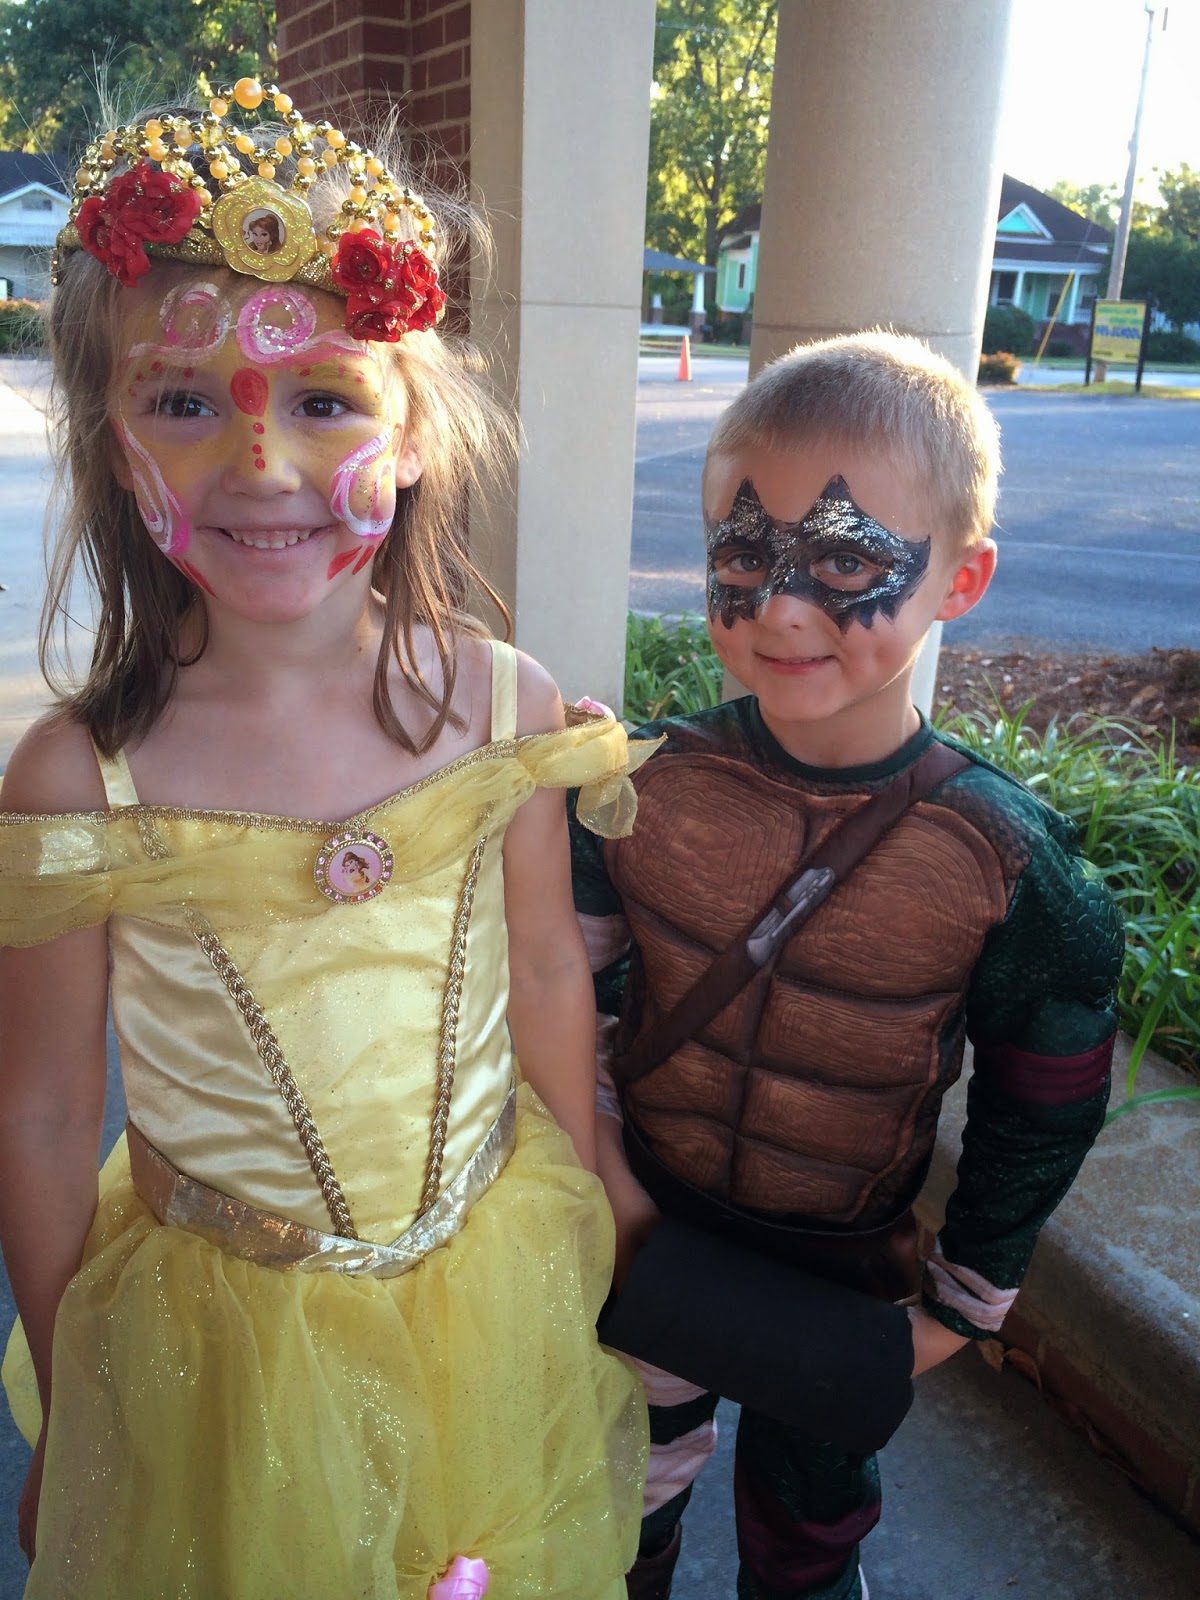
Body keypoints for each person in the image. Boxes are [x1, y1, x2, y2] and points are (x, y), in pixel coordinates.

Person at [0, 77, 650, 1599]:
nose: (263, 465)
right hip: (218, 1349)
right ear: (109, 441)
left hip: (486, 1287)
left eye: (324, 400)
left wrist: (592, 1191)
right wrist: (72, 1400)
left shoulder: (501, 704)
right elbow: (44, 1108)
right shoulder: (78, 780)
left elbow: (546, 967)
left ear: (413, 431)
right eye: (183, 402)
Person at [571, 331, 1124, 1600]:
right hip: (643, 1223)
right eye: (742, 557)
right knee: (613, 1513)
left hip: (845, 1275)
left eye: (844, 562)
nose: (780, 608)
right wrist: (601, 1191)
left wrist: (963, 1305)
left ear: (961, 579)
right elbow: (575, 999)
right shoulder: (632, 793)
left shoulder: (1010, 863)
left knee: (810, 1536)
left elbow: (1046, 1100)